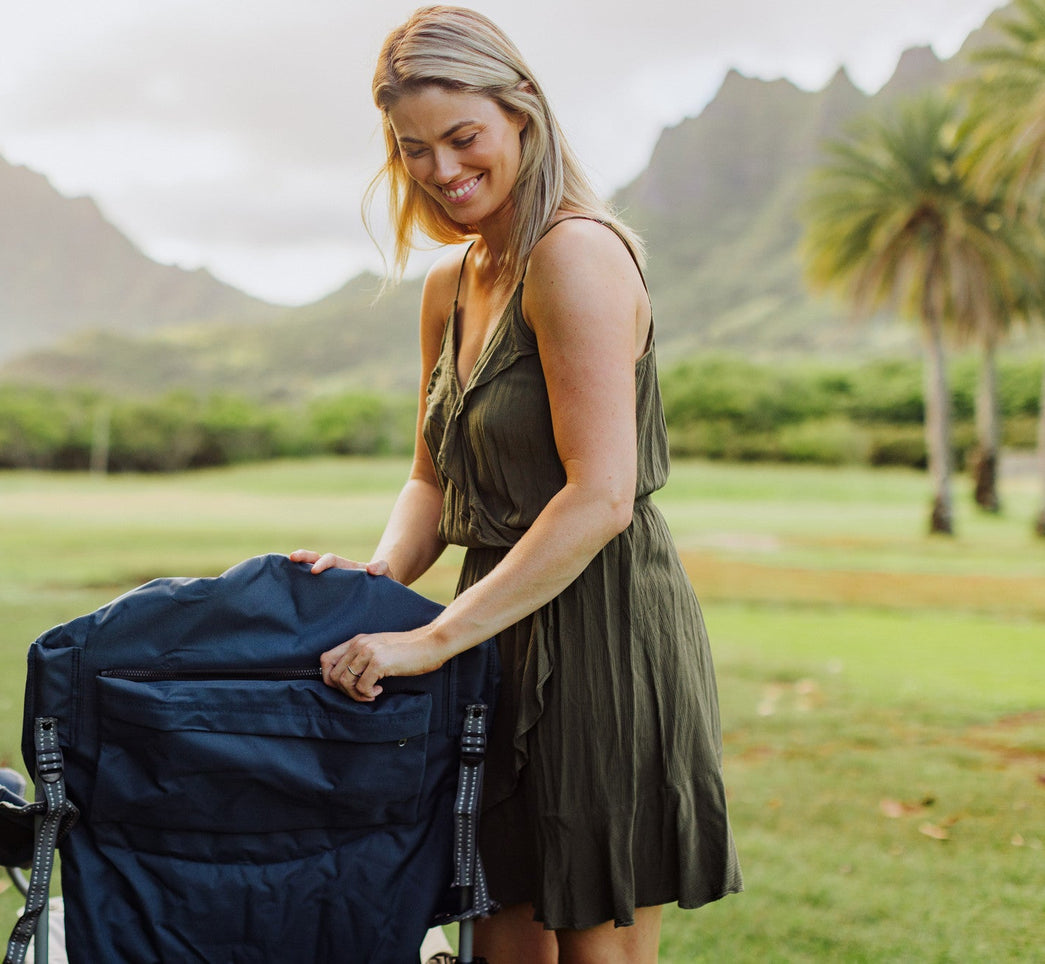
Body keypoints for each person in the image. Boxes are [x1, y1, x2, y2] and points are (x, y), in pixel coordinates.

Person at [289, 6, 743, 963]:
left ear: (522, 112)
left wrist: (431, 640)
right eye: (414, 149)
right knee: (497, 943)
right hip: (494, 628)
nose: (442, 170)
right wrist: (377, 583)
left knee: (590, 951)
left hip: (602, 635)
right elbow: (429, 475)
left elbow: (600, 496)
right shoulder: (451, 283)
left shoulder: (573, 253)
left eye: (462, 138)